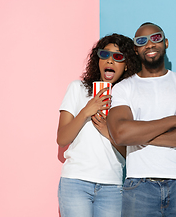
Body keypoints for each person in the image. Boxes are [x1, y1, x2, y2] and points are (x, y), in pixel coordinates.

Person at [107, 22, 176, 217]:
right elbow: (121, 134)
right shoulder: (124, 88)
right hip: (139, 185)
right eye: (141, 41)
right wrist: (172, 121)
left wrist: (140, 137)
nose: (149, 44)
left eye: (155, 38)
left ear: (165, 43)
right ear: (136, 49)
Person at [57, 33, 140, 217]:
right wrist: (87, 109)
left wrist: (108, 132)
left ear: (126, 65)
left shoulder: (127, 99)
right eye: (105, 55)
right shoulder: (77, 88)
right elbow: (62, 139)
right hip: (76, 182)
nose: (110, 60)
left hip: (112, 186)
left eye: (118, 57)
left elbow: (133, 154)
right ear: (98, 59)